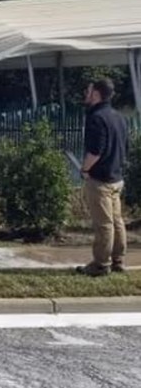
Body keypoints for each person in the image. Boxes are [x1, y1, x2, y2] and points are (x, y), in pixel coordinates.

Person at [76, 78, 130, 277]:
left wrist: (84, 169)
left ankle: (100, 263)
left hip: (100, 179)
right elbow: (126, 146)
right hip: (117, 176)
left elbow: (95, 151)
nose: (86, 94)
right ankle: (119, 259)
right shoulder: (119, 117)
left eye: (88, 91)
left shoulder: (96, 117)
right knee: (117, 221)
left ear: (96, 94)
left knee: (103, 224)